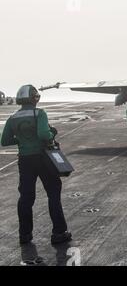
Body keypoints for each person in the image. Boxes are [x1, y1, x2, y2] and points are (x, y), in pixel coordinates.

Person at [1, 85, 71, 245]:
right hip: (43, 158)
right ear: (34, 98)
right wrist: (52, 133)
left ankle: (24, 234)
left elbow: (4, 141)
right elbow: (43, 134)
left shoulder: (13, 117)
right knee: (53, 192)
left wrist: (21, 140)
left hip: (25, 160)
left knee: (26, 197)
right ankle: (59, 232)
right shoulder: (39, 113)